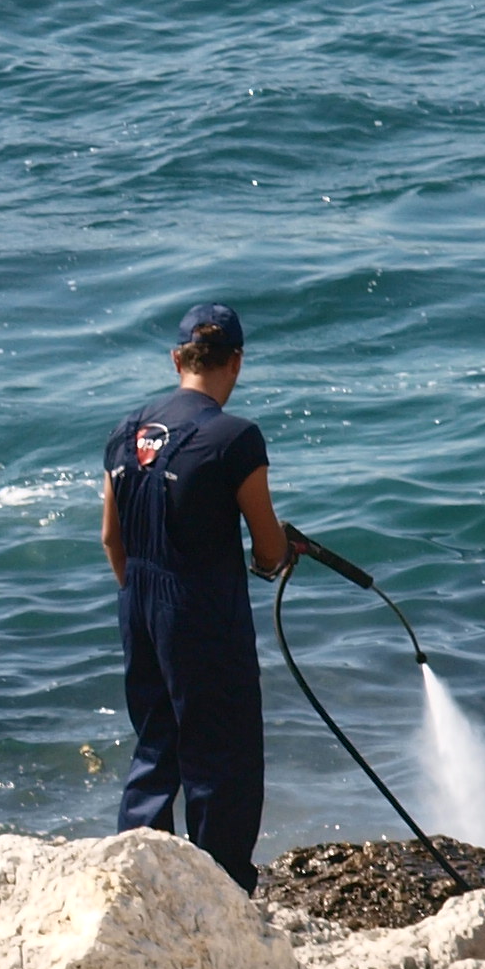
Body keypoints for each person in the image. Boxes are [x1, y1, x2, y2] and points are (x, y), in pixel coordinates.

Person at [102, 301, 291, 890]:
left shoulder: (127, 429)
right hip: (202, 611)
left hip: (139, 603)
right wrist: (281, 554)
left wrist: (141, 602)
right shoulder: (235, 438)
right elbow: (266, 549)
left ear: (176, 358)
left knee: (156, 743)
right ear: (236, 361)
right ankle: (222, 888)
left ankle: (139, 881)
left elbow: (112, 536)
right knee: (222, 755)